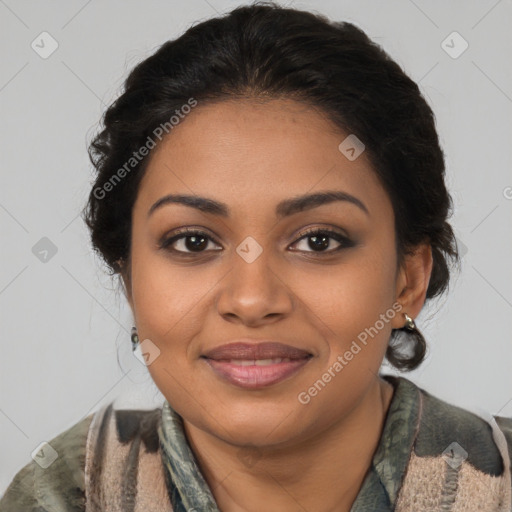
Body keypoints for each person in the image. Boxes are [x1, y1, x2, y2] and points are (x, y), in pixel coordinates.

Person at [1, 2, 511, 511]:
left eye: (318, 240)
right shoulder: (60, 496)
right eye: (193, 241)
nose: (251, 300)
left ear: (408, 281)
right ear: (129, 277)